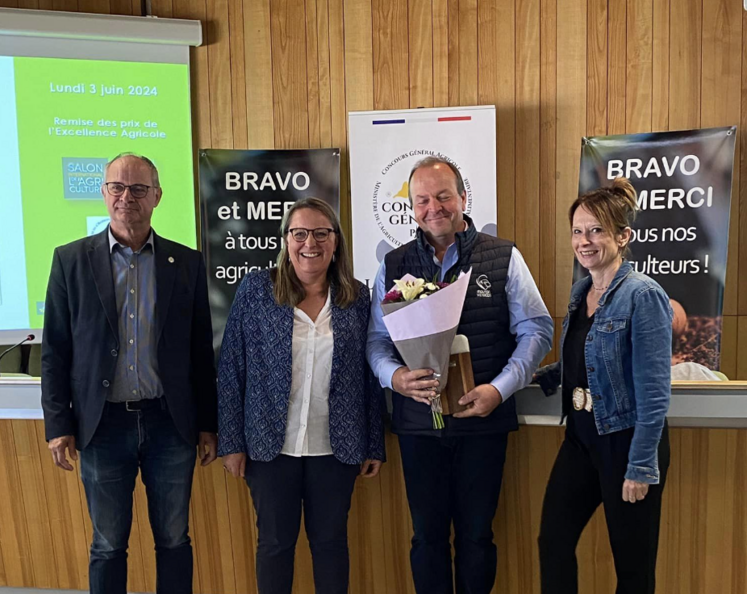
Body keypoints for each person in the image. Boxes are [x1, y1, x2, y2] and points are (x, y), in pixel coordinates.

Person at [367, 156, 553, 594]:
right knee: (426, 539)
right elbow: (377, 339)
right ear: (412, 207)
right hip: (418, 426)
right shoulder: (393, 265)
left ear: (464, 198)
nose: (434, 207)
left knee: (476, 538)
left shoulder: (503, 255)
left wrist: (500, 389)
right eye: (423, 199)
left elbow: (537, 328)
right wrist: (394, 378)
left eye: (444, 195)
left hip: (482, 424)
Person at [41, 153, 218, 594]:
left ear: (156, 196)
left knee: (174, 539)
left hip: (169, 424)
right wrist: (58, 424)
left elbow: (200, 351)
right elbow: (55, 350)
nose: (126, 197)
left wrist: (208, 425)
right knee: (107, 544)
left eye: (138, 189)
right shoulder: (70, 261)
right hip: (102, 426)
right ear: (103, 193)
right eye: (117, 187)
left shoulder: (187, 264)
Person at [218, 197, 385, 594]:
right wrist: (231, 442)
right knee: (275, 545)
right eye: (300, 233)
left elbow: (370, 374)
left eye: (321, 233)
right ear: (286, 240)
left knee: (330, 545)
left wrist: (374, 443)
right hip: (269, 448)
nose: (310, 242)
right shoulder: (257, 290)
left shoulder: (358, 299)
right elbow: (230, 369)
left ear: (336, 242)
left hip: (336, 447)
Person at [535, 177, 672, 594]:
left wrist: (642, 465)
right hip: (580, 439)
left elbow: (654, 391)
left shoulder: (643, 295)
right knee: (553, 542)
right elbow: (593, 353)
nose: (585, 241)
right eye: (578, 231)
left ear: (622, 236)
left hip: (626, 442)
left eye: (596, 230)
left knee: (632, 566)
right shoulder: (582, 290)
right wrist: (551, 373)